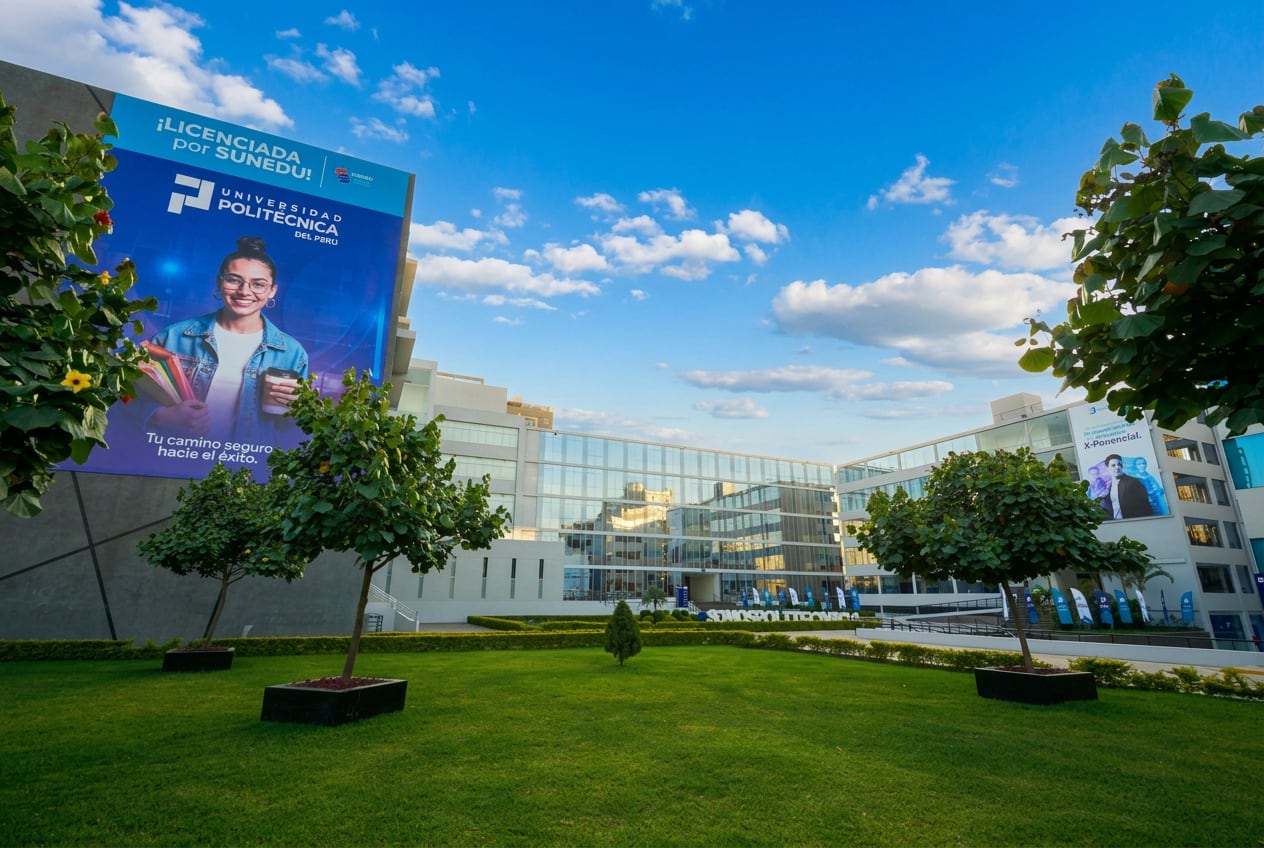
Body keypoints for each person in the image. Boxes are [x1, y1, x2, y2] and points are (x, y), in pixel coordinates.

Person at [145, 236, 309, 442]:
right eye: (233, 280)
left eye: (258, 284)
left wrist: (296, 409)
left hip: (243, 466)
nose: (244, 291)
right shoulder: (173, 337)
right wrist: (163, 416)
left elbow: (291, 431)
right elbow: (128, 397)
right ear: (219, 282)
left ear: (272, 291)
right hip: (173, 457)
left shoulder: (292, 353)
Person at [1097, 453, 1154, 520]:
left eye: (1119, 464)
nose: (1117, 467)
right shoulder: (1111, 486)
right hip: (1117, 524)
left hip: (1133, 523)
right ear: (1107, 468)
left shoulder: (1133, 482)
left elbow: (1145, 506)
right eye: (1113, 465)